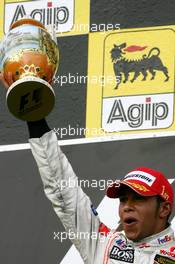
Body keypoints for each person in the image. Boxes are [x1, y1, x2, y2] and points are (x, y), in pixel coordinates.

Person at [0, 73, 175, 263]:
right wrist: (34, 117)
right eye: (123, 200)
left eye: (138, 199)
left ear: (164, 208)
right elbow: (66, 194)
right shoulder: (106, 245)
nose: (127, 207)